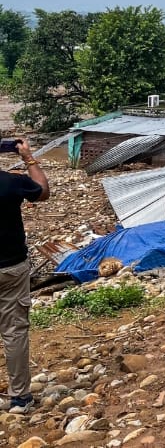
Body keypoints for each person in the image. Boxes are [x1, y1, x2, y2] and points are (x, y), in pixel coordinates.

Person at [0, 138, 50, 414]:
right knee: (14, 331)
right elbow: (42, 192)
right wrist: (28, 157)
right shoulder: (11, 182)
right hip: (11, 268)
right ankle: (19, 397)